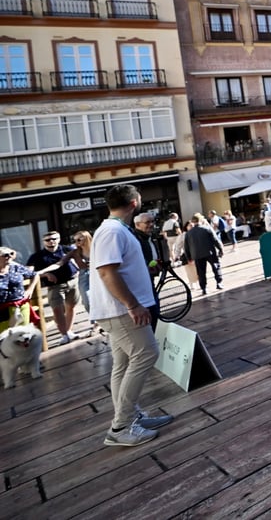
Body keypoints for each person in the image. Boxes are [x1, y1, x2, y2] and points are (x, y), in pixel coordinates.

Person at [89, 184, 173, 447]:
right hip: (120, 311)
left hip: (119, 310)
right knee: (147, 354)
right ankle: (121, 426)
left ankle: (130, 417)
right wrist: (133, 305)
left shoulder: (114, 229)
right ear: (135, 202)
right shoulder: (112, 231)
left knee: (123, 364)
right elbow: (107, 272)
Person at [28, 231, 80, 345]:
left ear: (59, 239)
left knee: (71, 307)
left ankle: (69, 331)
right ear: (43, 242)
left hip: (72, 281)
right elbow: (29, 273)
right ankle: (64, 335)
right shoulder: (37, 256)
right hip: (55, 286)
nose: (51, 241)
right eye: (48, 240)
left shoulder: (67, 249)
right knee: (57, 310)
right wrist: (45, 274)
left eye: (54, 239)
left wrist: (79, 270)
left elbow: (80, 259)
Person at [183, 215, 224, 295]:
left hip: (197, 255)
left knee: (201, 272)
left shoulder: (188, 233)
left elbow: (186, 247)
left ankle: (204, 288)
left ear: (193, 222)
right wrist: (220, 249)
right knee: (216, 267)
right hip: (209, 252)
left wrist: (189, 258)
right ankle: (219, 283)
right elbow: (215, 239)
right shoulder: (207, 228)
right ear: (200, 220)